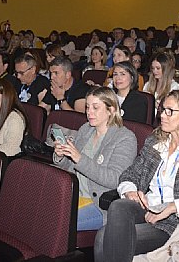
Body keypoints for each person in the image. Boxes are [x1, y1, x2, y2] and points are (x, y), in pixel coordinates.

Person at [95, 89, 179, 261]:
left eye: (170, 111)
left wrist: (173, 207)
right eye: (163, 110)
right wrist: (130, 190)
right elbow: (130, 174)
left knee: (103, 238)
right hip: (149, 208)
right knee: (119, 206)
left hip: (175, 221)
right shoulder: (156, 142)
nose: (163, 116)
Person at [54, 86, 138, 231]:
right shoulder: (86, 129)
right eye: (87, 107)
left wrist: (80, 159)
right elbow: (70, 167)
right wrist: (61, 155)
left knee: (55, 223)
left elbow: (115, 179)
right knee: (35, 210)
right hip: (72, 193)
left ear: (111, 110)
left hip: (97, 203)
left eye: (95, 107)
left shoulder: (125, 138)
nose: (89, 112)